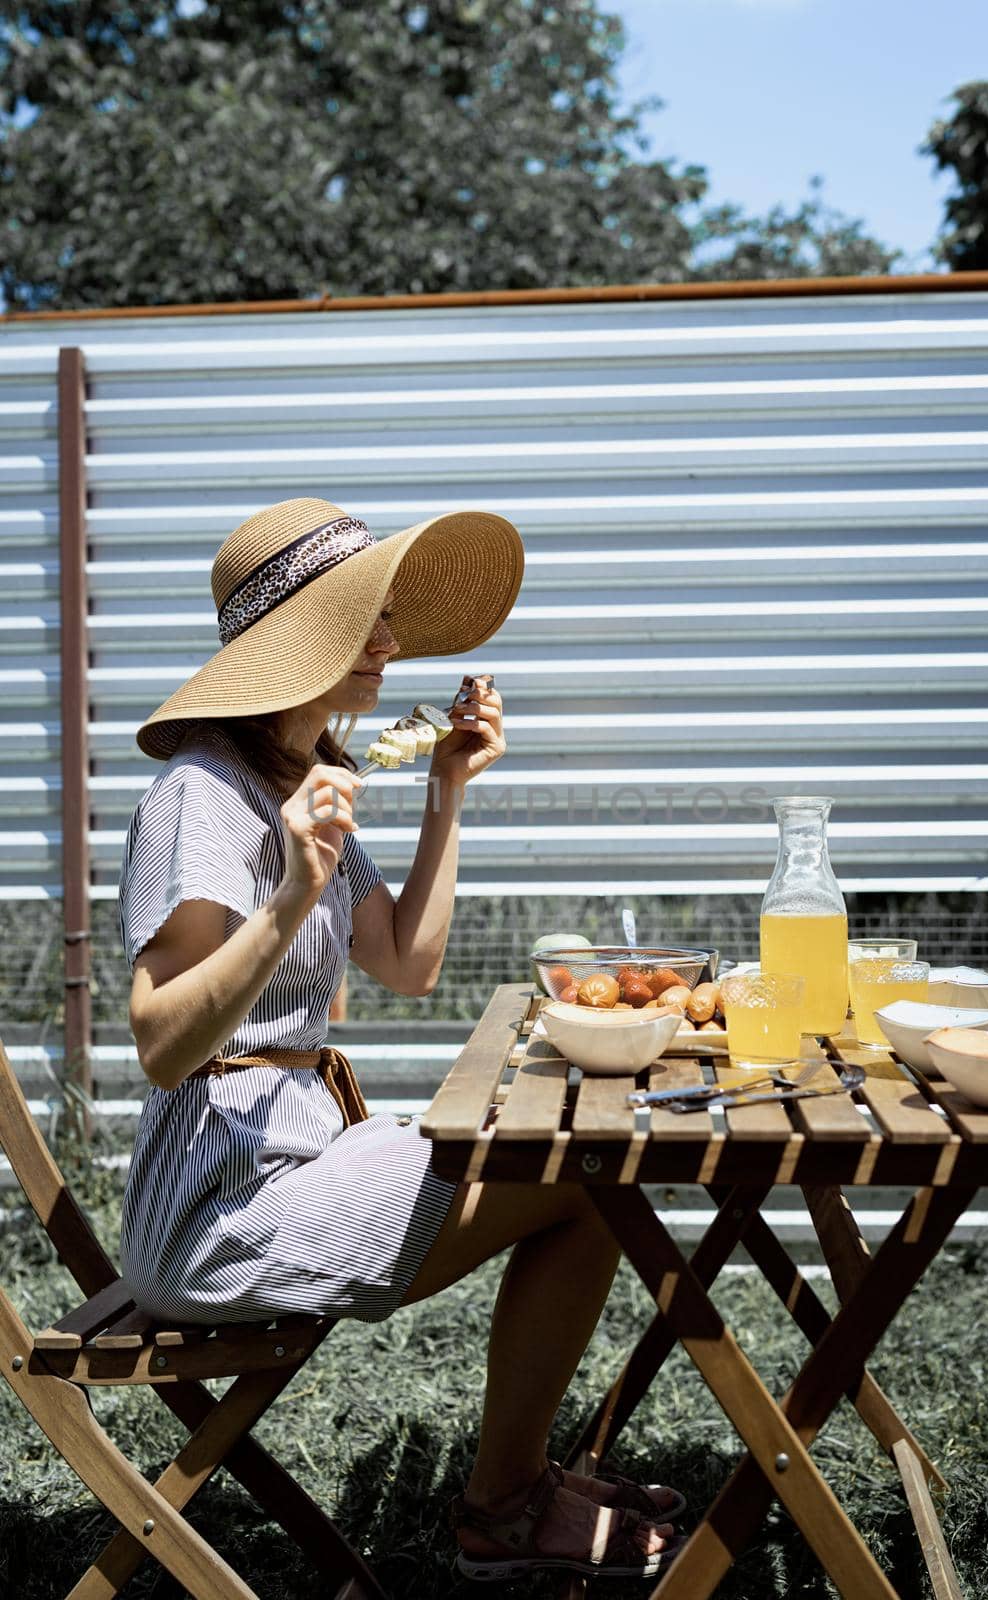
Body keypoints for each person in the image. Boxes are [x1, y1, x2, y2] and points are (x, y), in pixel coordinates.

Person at [118, 497, 683, 1582]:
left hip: (297, 1158)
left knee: (574, 1153)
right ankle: (505, 1508)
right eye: (364, 621)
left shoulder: (299, 778)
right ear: (301, 640)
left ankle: (515, 1491)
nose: (388, 644)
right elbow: (159, 1043)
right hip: (214, 1213)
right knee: (585, 1170)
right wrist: (287, 899)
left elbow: (406, 961)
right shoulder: (202, 794)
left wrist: (445, 794)